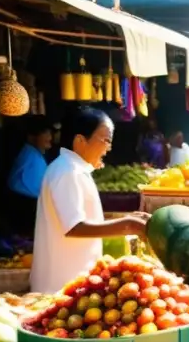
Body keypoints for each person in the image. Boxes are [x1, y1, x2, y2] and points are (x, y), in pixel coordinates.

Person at [31, 107, 149, 294]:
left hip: (71, 285)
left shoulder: (72, 169)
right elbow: (74, 227)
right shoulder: (67, 172)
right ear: (80, 141)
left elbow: (81, 221)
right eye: (106, 140)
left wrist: (128, 219)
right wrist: (128, 225)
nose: (108, 148)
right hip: (60, 287)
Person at [8, 116, 52, 200]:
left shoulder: (31, 153)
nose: (49, 137)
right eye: (45, 133)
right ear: (31, 137)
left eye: (49, 133)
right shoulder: (31, 155)